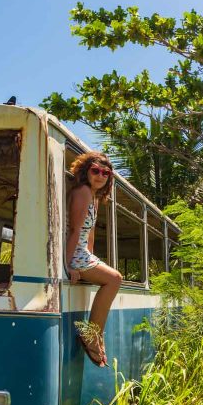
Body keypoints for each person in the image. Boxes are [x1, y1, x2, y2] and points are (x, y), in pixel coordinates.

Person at [65, 151, 123, 367]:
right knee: (115, 279)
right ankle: (91, 335)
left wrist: (92, 261)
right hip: (74, 251)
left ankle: (95, 335)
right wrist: (68, 265)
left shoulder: (94, 196)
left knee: (111, 276)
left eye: (105, 173)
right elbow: (74, 230)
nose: (100, 175)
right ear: (86, 171)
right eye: (95, 171)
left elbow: (90, 236)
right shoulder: (82, 192)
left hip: (82, 252)